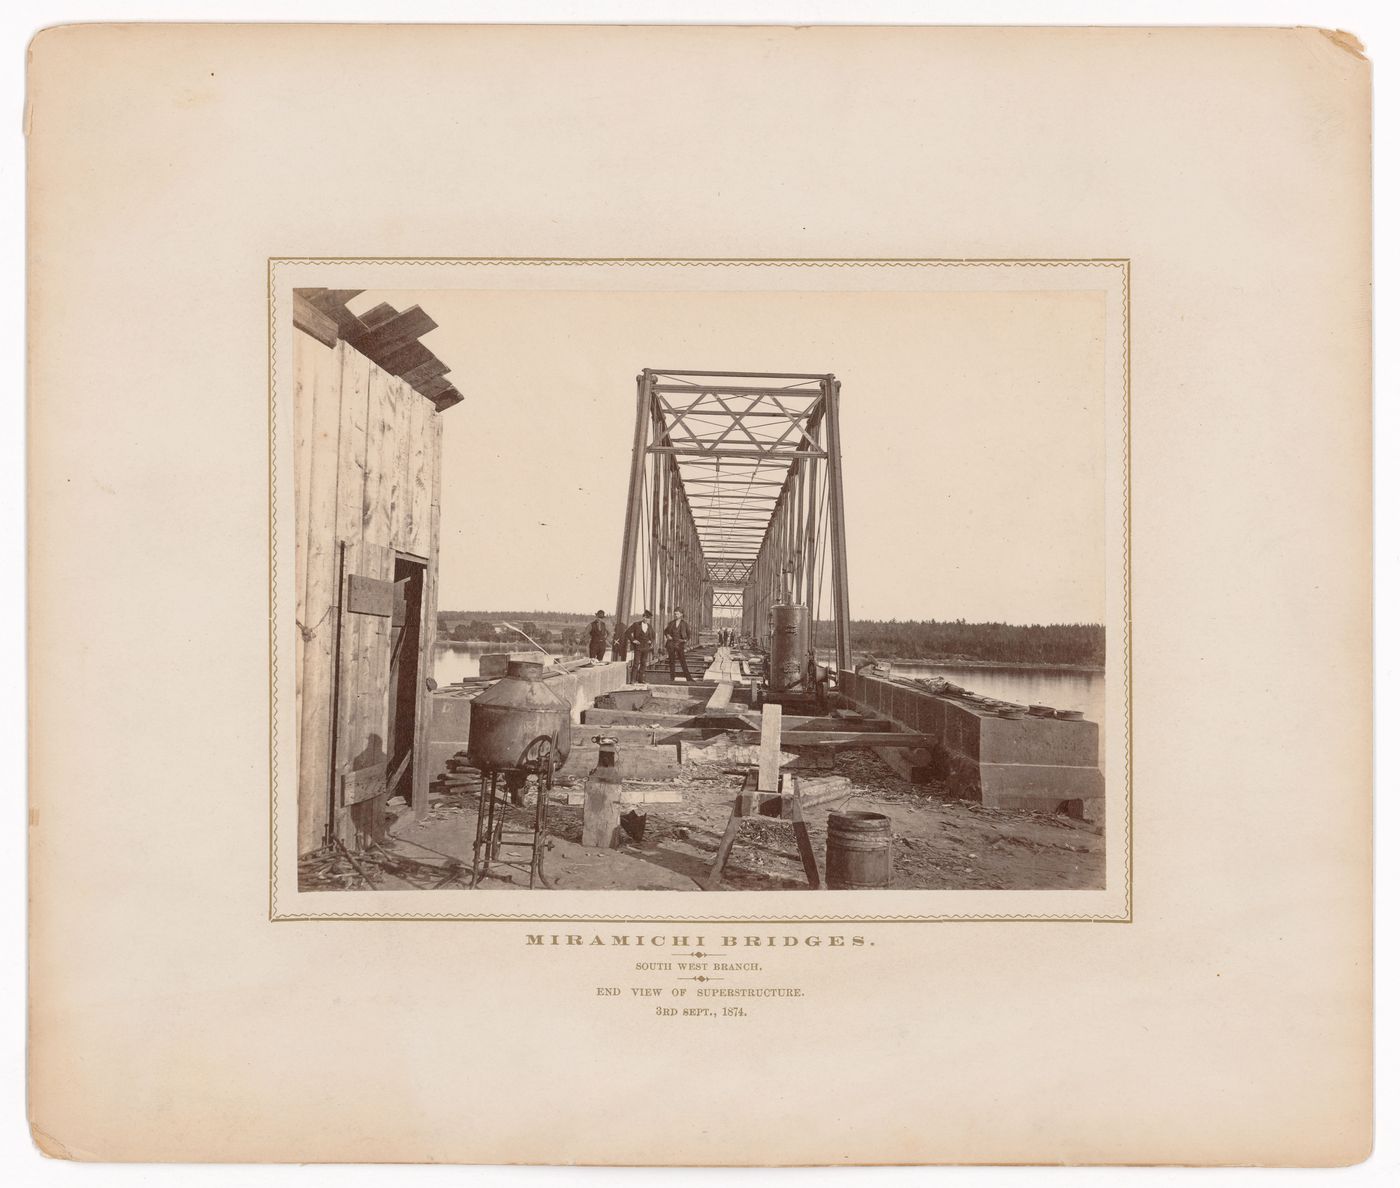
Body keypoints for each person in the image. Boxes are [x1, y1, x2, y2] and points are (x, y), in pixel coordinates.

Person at [624, 610, 655, 683]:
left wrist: (651, 641)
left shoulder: (649, 627)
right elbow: (627, 632)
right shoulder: (636, 624)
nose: (647, 619)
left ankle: (641, 679)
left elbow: (653, 636)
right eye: (646, 617)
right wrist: (633, 640)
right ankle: (633, 680)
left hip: (646, 647)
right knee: (636, 663)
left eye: (648, 618)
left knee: (643, 663)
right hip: (638, 647)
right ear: (643, 617)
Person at [664, 607, 694, 682]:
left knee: (683, 661)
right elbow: (665, 631)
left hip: (679, 645)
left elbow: (689, 635)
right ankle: (672, 678)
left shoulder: (685, 624)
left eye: (677, 614)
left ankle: (688, 678)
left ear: (681, 614)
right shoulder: (671, 623)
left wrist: (685, 640)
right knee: (671, 661)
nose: (675, 615)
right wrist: (667, 635)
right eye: (675, 614)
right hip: (671, 644)